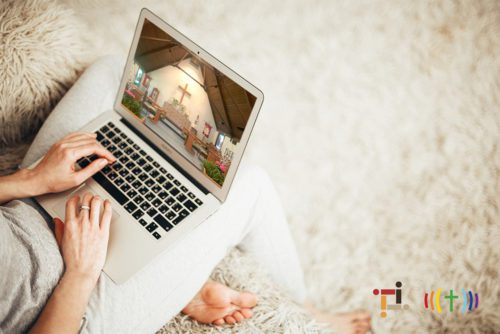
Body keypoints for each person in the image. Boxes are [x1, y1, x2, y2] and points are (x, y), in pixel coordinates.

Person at [0, 56, 371, 334]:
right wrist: (81, 273)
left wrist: (32, 181)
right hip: (73, 302)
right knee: (251, 187)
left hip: (28, 204)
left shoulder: (31, 187)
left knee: (115, 71)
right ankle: (308, 312)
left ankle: (170, 267)